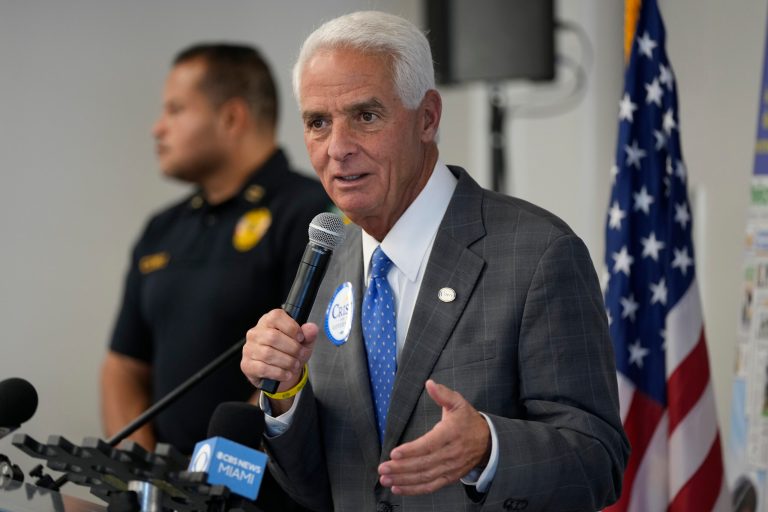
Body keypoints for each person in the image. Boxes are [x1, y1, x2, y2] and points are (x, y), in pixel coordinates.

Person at [240, 11, 629, 512]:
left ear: (427, 117)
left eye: (366, 115)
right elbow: (319, 488)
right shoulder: (326, 258)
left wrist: (489, 447)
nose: (337, 148)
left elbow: (598, 462)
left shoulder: (537, 253)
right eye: (318, 123)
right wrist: (287, 396)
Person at [99, 43, 331, 457]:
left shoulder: (313, 216)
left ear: (231, 117)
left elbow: (313, 361)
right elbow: (123, 365)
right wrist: (143, 478)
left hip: (262, 486)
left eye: (175, 109)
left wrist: (214, 474)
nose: (158, 128)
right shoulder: (163, 227)